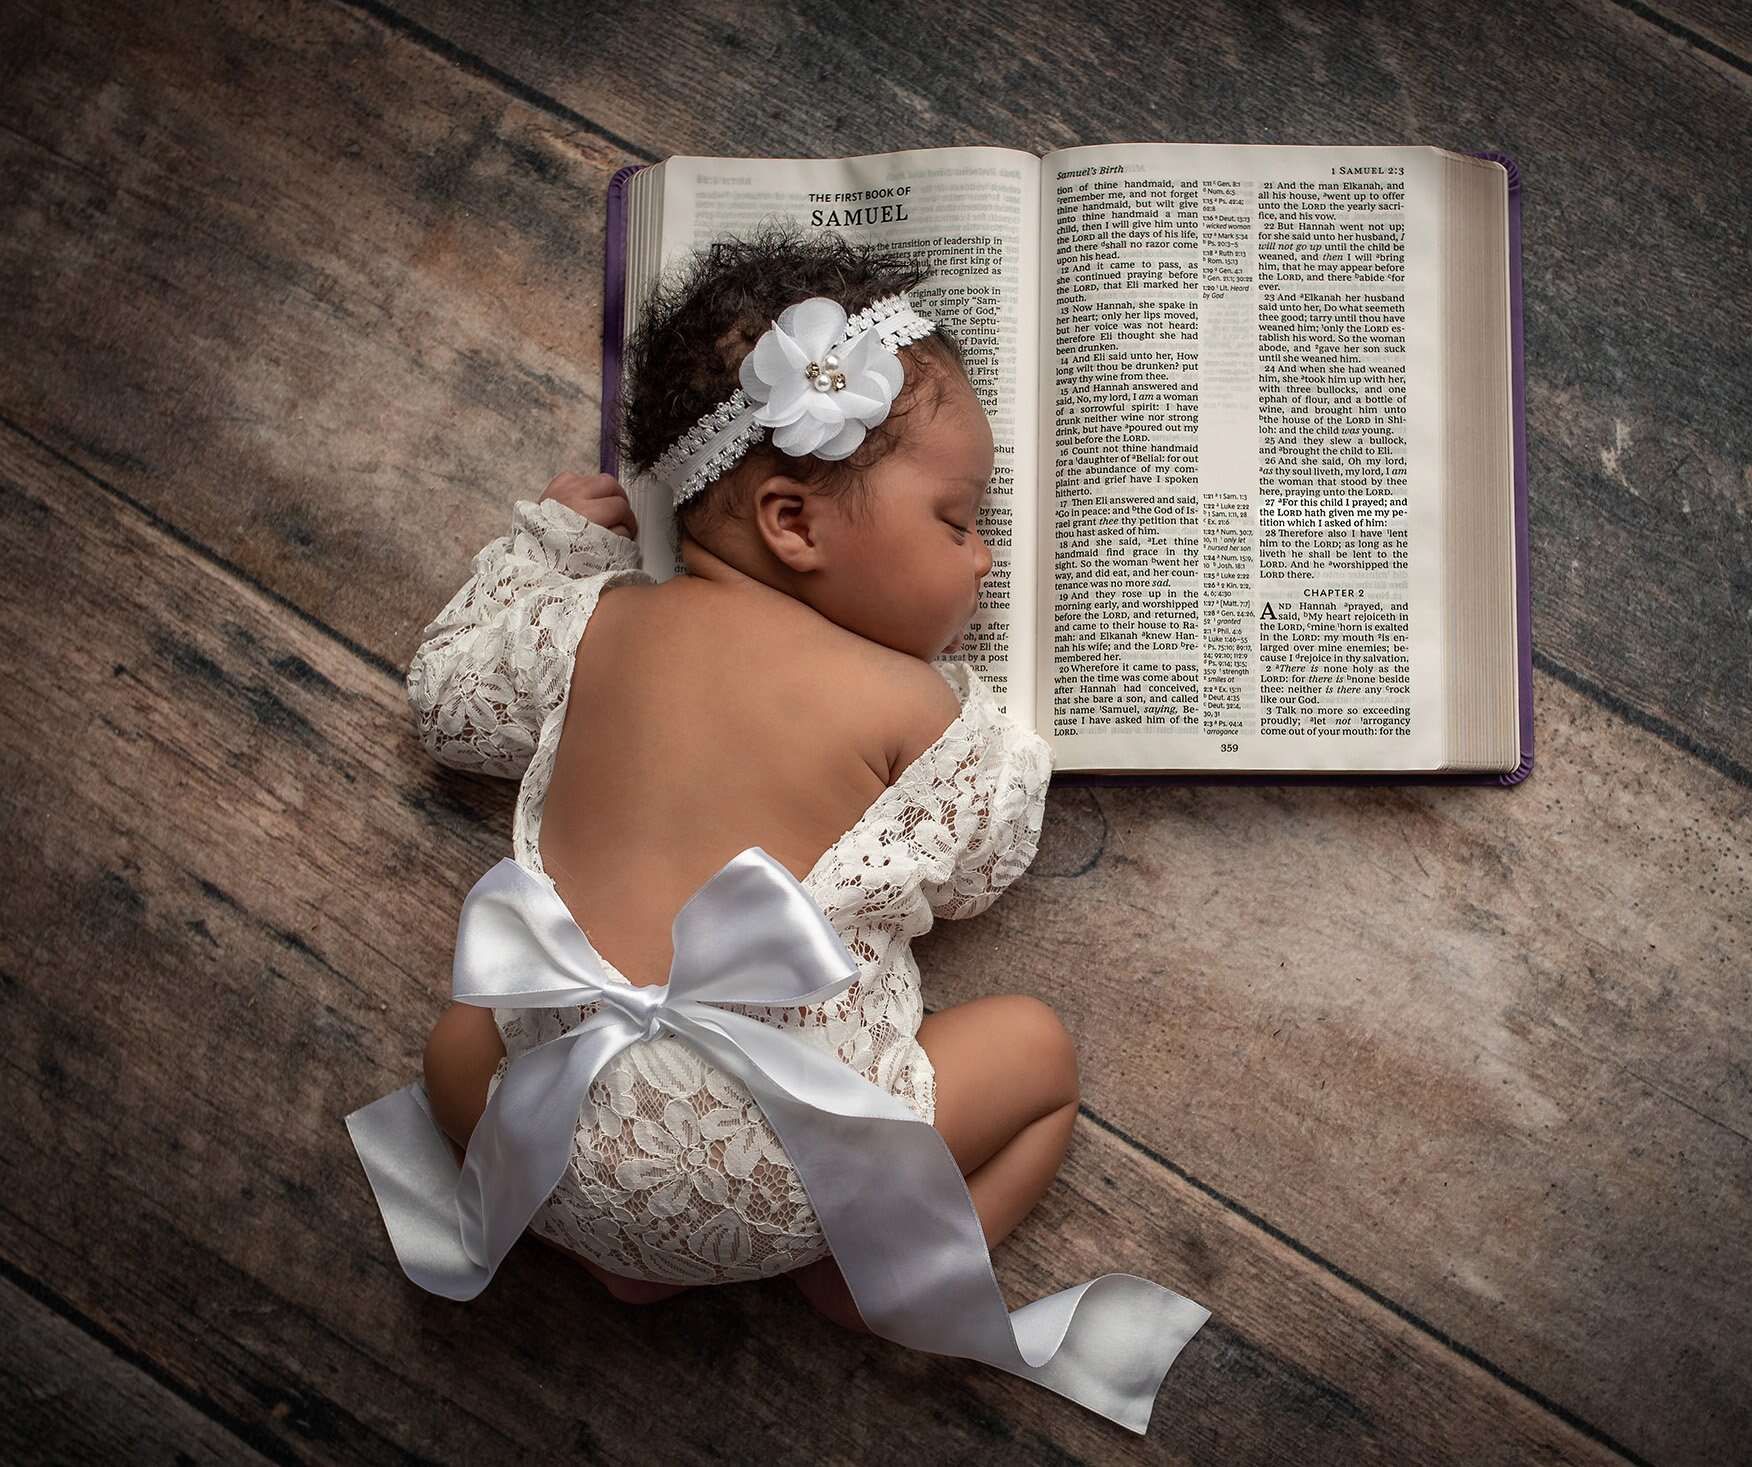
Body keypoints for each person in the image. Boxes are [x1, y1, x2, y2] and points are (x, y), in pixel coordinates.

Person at [351, 222, 1209, 1433]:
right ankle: (876, 1279)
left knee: (458, 1037)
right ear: (793, 521)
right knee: (1034, 1052)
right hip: (811, 1175)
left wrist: (545, 542)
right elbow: (976, 874)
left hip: (559, 1159)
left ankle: (625, 1263)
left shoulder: (591, 624)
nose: (984, 559)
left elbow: (444, 701)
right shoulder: (916, 709)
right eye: (958, 522)